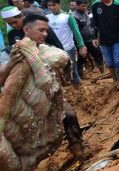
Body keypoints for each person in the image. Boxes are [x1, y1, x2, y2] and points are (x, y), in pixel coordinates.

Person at [0, 13, 85, 160]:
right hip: (25, 104)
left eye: (46, 31)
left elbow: (62, 61)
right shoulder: (10, 54)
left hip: (50, 98)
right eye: (41, 30)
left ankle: (78, 150)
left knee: (69, 114)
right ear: (27, 30)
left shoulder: (48, 51)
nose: (45, 34)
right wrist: (12, 63)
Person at [46, 0, 87, 88]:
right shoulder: (47, 18)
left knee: (72, 71)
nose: (51, 7)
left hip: (68, 49)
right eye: (49, 5)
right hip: (53, 51)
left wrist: (81, 46)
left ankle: (78, 91)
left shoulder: (67, 17)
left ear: (59, 4)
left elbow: (76, 32)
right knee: (55, 74)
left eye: (53, 5)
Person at [73, 0, 104, 77]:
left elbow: (90, 26)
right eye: (83, 6)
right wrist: (80, 44)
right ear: (77, 6)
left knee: (98, 53)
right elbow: (75, 31)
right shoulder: (74, 16)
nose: (85, 8)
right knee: (81, 57)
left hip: (90, 39)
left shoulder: (85, 13)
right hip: (81, 42)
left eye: (86, 6)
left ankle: (101, 70)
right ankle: (80, 75)